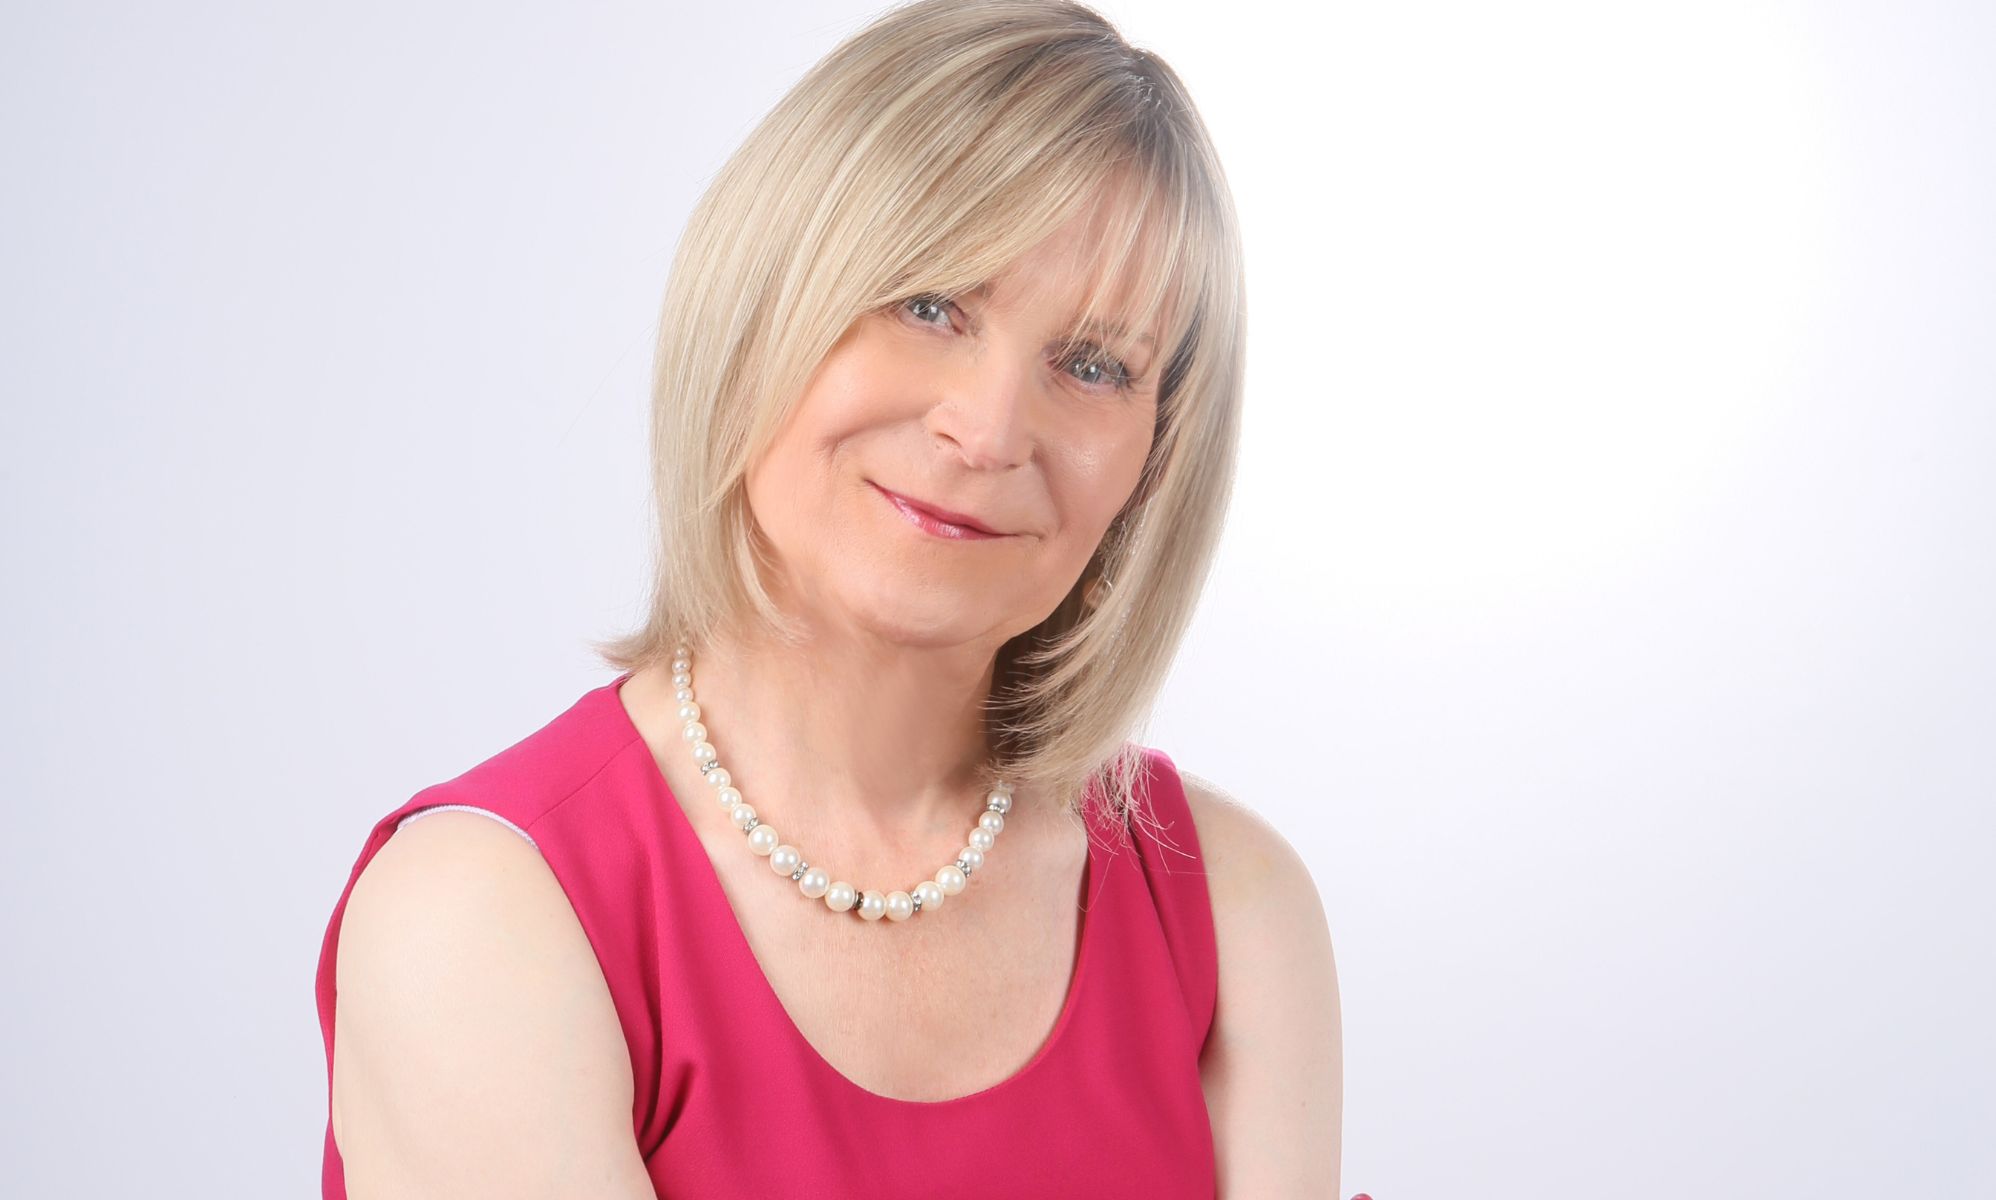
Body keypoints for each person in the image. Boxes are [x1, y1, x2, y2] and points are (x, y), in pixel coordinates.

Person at [314, 0, 1342, 1195]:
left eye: (1095, 364)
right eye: (929, 303)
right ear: (762, 305)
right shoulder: (480, 912)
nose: (989, 427)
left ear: (1156, 457)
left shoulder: (1230, 910)